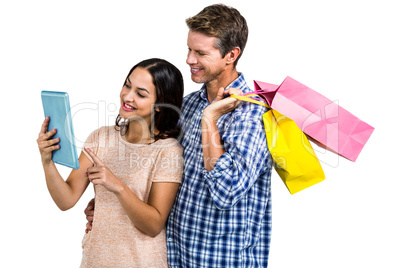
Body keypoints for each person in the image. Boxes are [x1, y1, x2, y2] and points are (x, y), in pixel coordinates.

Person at [86, 4, 273, 267]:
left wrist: (210, 119)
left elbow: (226, 192)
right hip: (174, 257)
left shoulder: (254, 116)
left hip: (220, 261)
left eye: (200, 53)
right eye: (189, 49)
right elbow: (162, 175)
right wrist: (110, 207)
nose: (189, 59)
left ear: (231, 55)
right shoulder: (187, 106)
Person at [37, 58, 184, 267]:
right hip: (95, 260)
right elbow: (66, 200)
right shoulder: (101, 138)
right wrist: (47, 161)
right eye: (127, 85)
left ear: (161, 105)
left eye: (140, 94)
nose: (127, 96)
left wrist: (117, 186)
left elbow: (154, 224)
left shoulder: (168, 152)